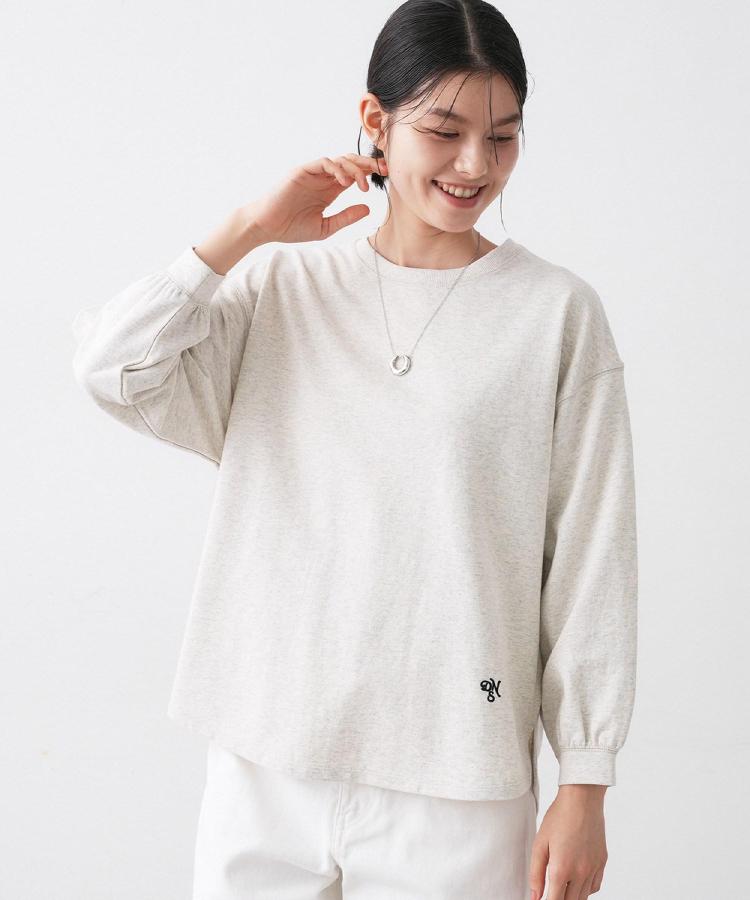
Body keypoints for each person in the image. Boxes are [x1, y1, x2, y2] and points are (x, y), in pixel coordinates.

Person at [70, 1, 638, 897]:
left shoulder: (554, 314)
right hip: (266, 758)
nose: (474, 165)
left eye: (502, 138)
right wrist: (247, 230)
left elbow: (591, 561)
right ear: (374, 121)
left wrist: (586, 780)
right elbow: (113, 370)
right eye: (444, 131)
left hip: (457, 774)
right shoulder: (280, 287)